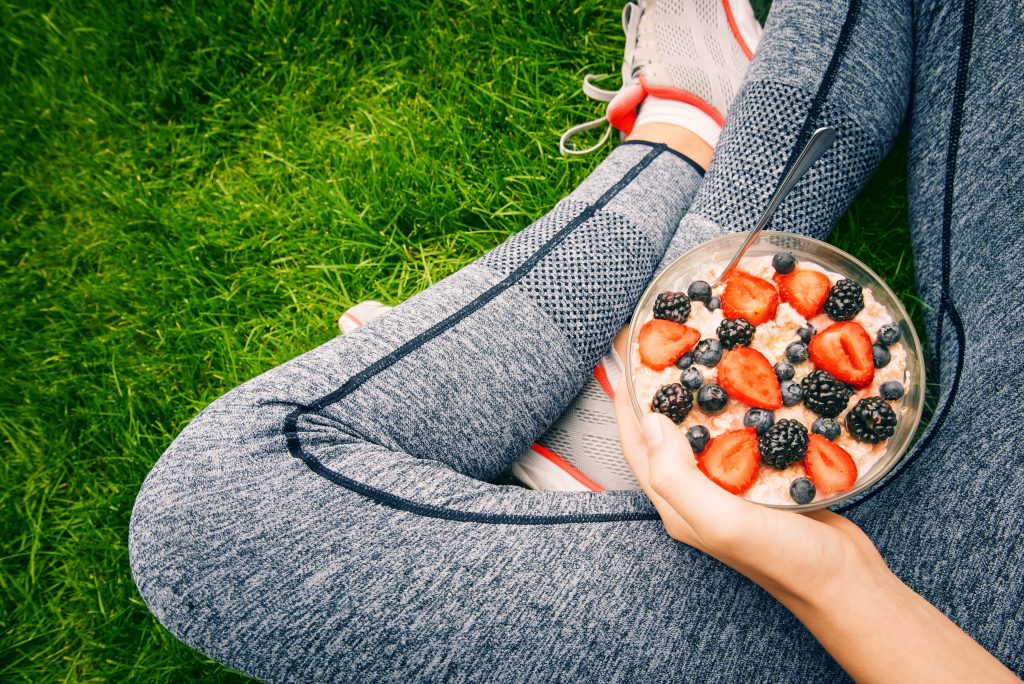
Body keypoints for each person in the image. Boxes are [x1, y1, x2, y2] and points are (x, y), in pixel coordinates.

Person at [129, 0, 1024, 681]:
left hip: (935, 606)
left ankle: (681, 133)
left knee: (218, 521)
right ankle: (632, 374)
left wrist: (835, 579)